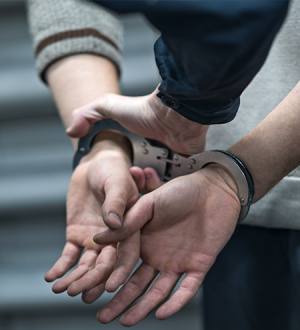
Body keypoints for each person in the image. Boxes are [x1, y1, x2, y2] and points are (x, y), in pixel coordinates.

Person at [28, 0, 300, 328]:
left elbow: (234, 14)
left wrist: (184, 110)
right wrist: (101, 142)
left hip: (226, 194)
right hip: (225, 212)